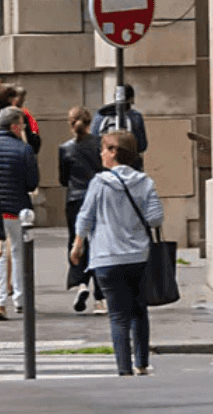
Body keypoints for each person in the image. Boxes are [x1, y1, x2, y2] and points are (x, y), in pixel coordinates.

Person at [72, 129, 164, 377]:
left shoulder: (99, 183)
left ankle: (123, 367)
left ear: (114, 153)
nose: (101, 153)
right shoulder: (145, 182)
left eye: (104, 148)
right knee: (138, 310)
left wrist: (78, 244)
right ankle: (142, 362)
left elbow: (85, 216)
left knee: (118, 316)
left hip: (106, 256)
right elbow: (156, 218)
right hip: (138, 255)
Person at [0, 107, 40, 320]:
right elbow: (32, 182)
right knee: (19, 254)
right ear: (15, 126)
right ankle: (21, 299)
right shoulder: (24, 150)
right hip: (17, 210)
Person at [58, 106, 103, 312]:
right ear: (89, 122)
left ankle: (81, 283)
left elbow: (62, 179)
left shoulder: (65, 148)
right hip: (97, 197)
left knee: (76, 241)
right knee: (99, 241)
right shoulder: (100, 144)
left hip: (75, 199)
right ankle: (100, 297)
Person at [95, 83, 148, 155]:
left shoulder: (99, 116)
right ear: (131, 98)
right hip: (130, 161)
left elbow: (94, 142)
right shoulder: (136, 117)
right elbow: (142, 146)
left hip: (105, 160)